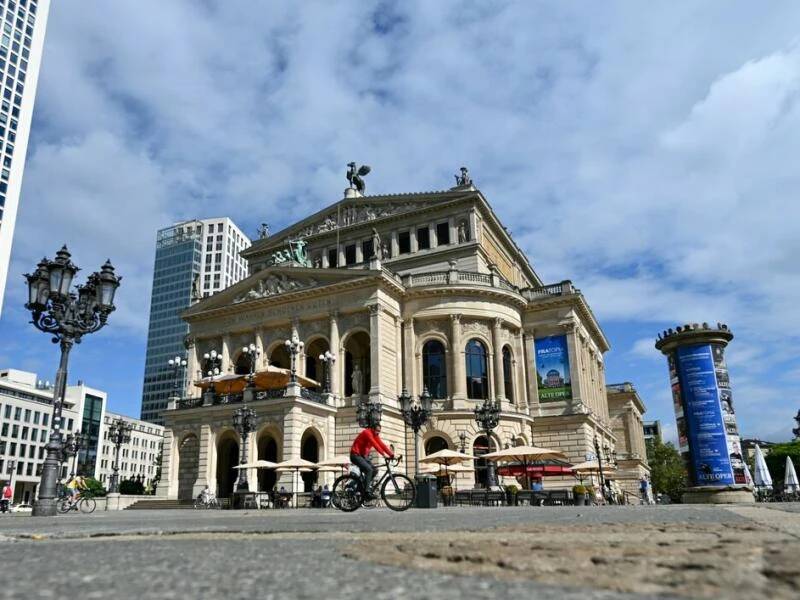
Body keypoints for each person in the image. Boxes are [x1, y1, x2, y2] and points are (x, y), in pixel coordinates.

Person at [350, 423, 394, 499]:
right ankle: (366, 492)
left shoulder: (375, 435)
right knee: (369, 470)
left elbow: (382, 445)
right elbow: (375, 444)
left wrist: (392, 455)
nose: (378, 433)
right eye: (377, 431)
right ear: (372, 429)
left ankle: (361, 488)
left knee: (375, 470)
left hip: (363, 456)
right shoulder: (367, 432)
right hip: (355, 455)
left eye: (379, 431)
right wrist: (383, 455)